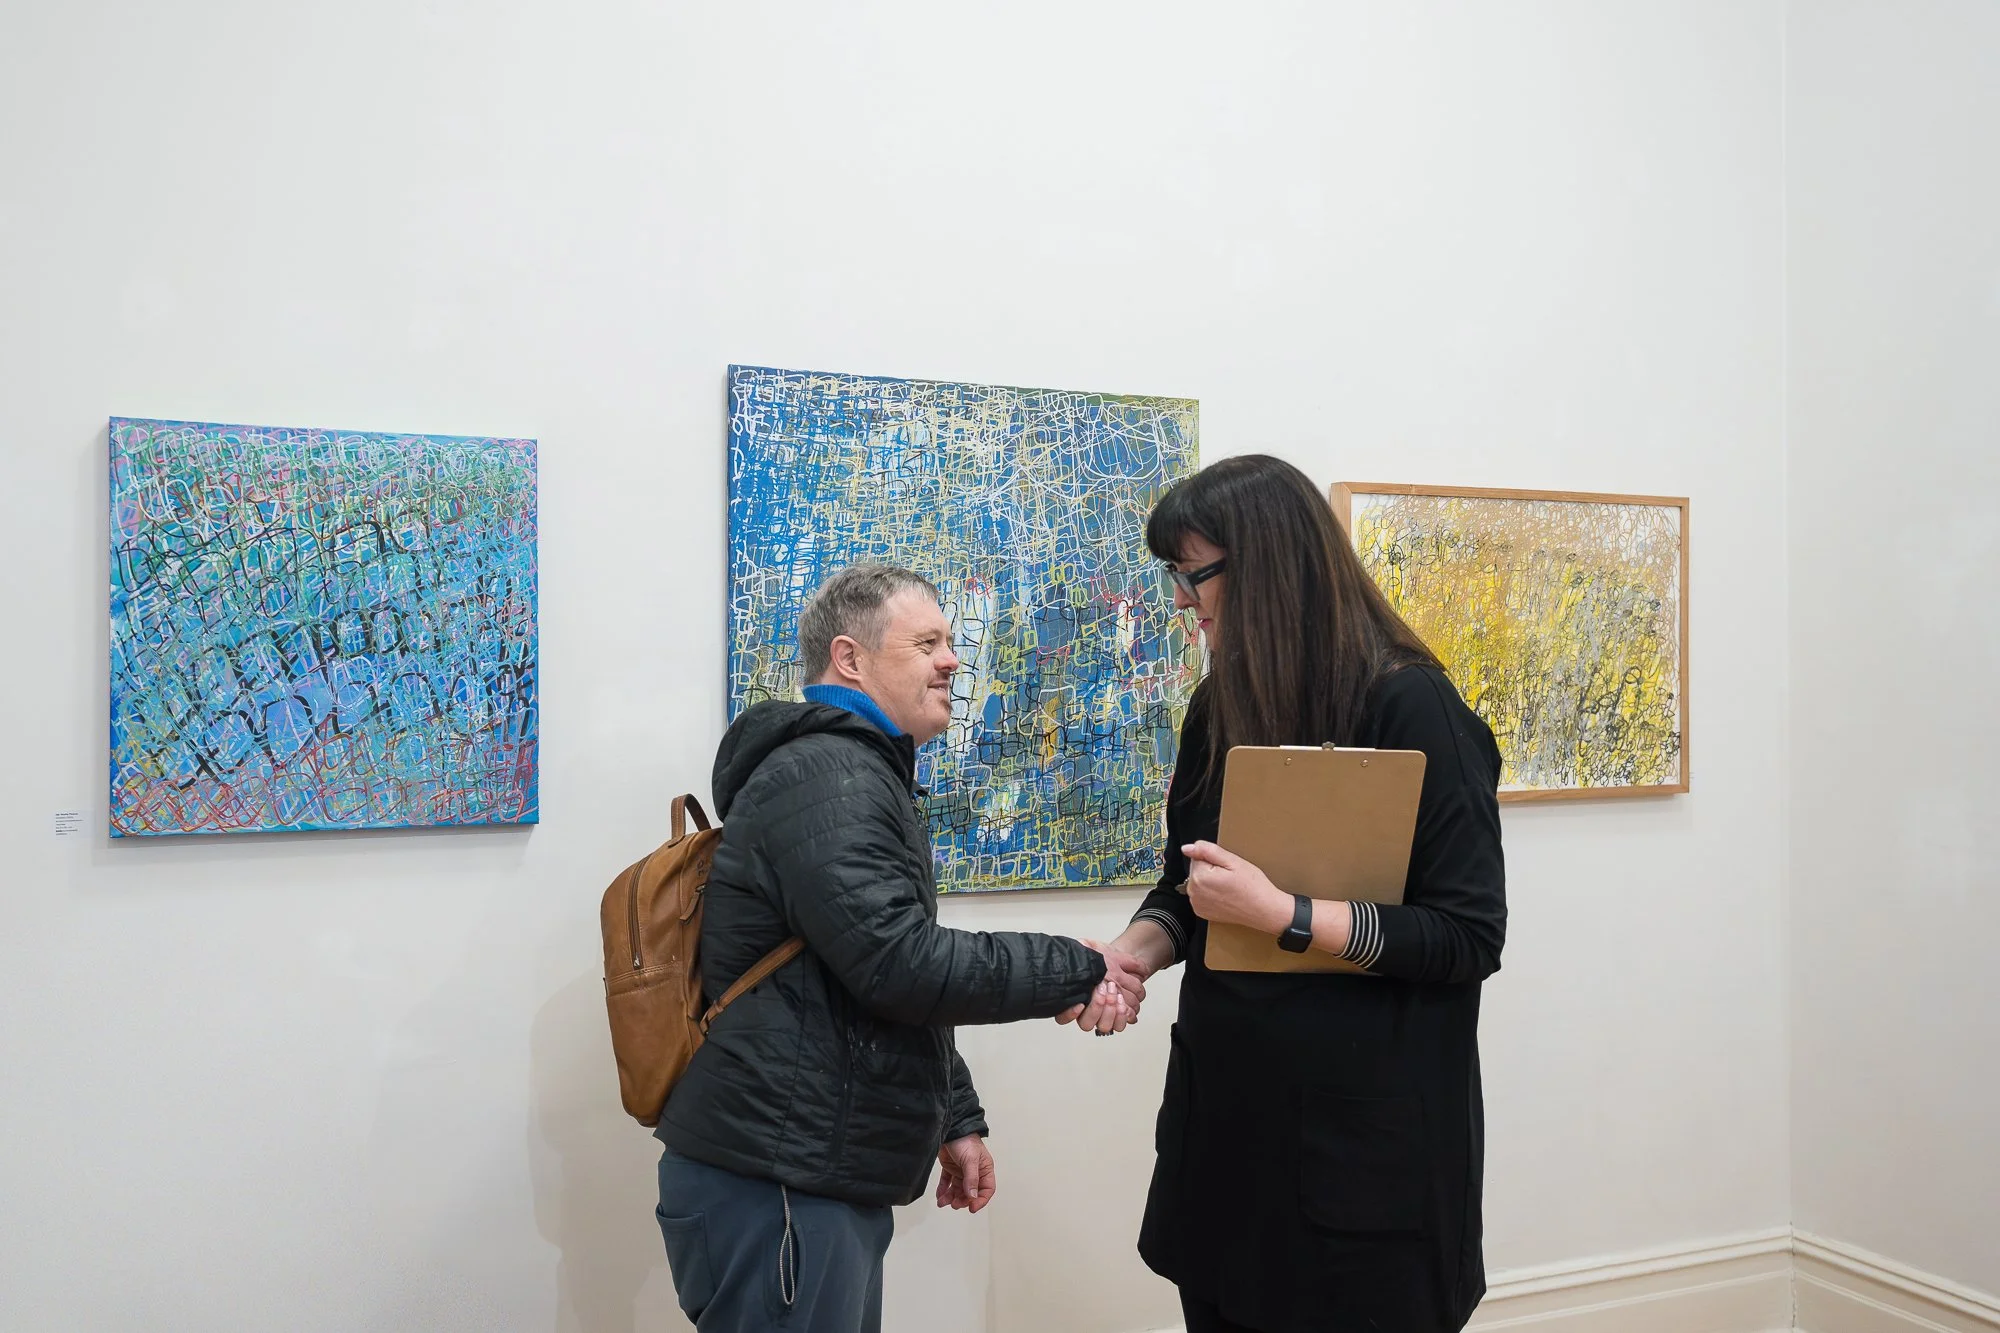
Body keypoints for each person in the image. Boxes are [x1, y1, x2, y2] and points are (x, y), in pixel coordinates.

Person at [1061, 456, 1508, 1333]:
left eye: (1193, 573)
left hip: (1364, 1167)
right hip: (1230, 1143)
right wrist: (1129, 956)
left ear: (1265, 563)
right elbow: (1190, 885)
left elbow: (1466, 935)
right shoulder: (1219, 703)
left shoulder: (1413, 705)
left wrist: (1287, 917)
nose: (1182, 600)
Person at [655, 563, 1146, 1333]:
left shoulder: (850, 771)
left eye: (949, 640)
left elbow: (859, 974)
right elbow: (901, 964)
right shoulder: (828, 776)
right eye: (927, 643)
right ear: (849, 658)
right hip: (781, 1181)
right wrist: (1082, 967)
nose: (952, 660)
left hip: (800, 1172)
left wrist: (955, 1115)